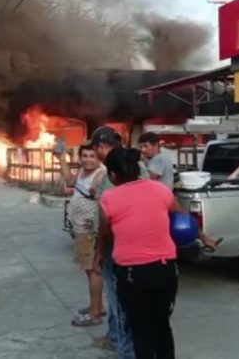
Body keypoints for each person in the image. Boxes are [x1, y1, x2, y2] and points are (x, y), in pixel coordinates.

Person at [98, 146, 180, 358]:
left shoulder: (109, 198)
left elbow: (105, 233)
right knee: (162, 326)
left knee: (140, 331)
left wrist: (98, 253)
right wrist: (203, 236)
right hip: (165, 270)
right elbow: (182, 219)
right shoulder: (160, 189)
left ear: (113, 175)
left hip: (132, 274)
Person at [91, 126, 142, 358]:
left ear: (101, 147)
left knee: (117, 298)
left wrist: (100, 250)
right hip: (130, 243)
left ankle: (120, 342)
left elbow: (110, 218)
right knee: (121, 299)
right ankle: (116, 336)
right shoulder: (129, 166)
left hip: (116, 245)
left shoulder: (116, 170)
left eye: (95, 149)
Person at [138, 132, 219, 251]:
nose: (143, 150)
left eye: (145, 146)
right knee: (185, 219)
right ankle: (207, 239)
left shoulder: (157, 159)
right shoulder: (164, 157)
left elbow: (149, 179)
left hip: (160, 201)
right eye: (141, 147)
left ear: (155, 145)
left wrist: (139, 164)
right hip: (168, 197)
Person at [56, 141, 106, 327]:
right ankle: (97, 305)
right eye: (84, 156)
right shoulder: (83, 171)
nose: (87, 160)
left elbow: (98, 198)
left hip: (89, 229)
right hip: (79, 229)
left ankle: (95, 314)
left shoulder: (101, 173)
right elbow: (70, 182)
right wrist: (61, 159)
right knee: (88, 269)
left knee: (93, 270)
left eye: (92, 156)